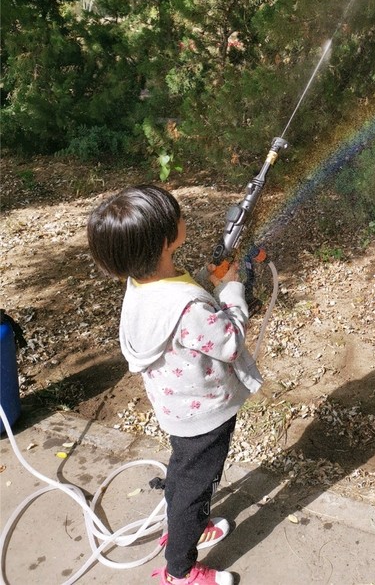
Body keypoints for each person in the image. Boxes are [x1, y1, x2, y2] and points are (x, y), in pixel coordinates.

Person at [87, 184, 262, 585]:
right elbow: (229, 341)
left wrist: (206, 278)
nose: (184, 219)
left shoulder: (143, 286)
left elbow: (179, 307)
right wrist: (231, 288)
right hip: (204, 415)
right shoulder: (188, 308)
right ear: (167, 240)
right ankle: (180, 570)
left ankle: (187, 524)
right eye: (178, 217)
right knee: (195, 489)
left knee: (184, 473)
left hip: (178, 410)